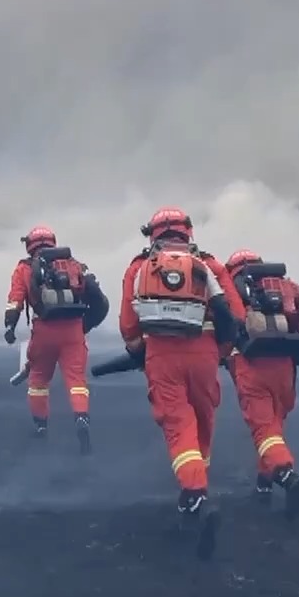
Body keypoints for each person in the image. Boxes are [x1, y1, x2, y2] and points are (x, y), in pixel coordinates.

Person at [117, 207, 245, 557]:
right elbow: (236, 316)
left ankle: (197, 495)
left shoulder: (139, 267)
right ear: (188, 232)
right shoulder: (210, 265)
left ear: (153, 234)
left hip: (161, 354)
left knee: (178, 426)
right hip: (205, 354)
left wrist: (140, 351)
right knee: (203, 422)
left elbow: (128, 325)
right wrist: (220, 352)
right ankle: (194, 493)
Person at [223, 249, 299, 518]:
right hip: (285, 367)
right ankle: (265, 481)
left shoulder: (232, 291)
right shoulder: (284, 287)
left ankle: (286, 475)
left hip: (253, 368)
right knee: (275, 426)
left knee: (263, 430)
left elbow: (225, 330)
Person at [3, 225, 109, 454]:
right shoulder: (72, 264)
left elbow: (15, 300)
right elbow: (97, 299)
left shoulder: (24, 269)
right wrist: (85, 325)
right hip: (74, 330)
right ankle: (81, 417)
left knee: (38, 379)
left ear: (29, 245)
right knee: (76, 380)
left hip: (44, 331)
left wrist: (9, 326)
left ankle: (41, 425)